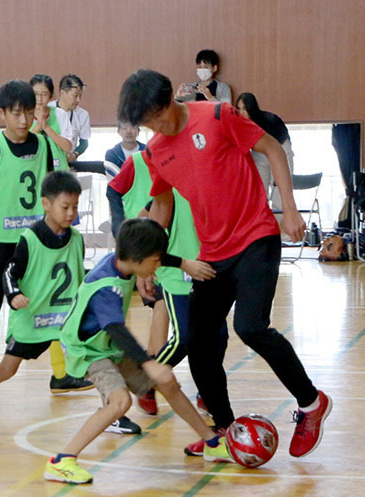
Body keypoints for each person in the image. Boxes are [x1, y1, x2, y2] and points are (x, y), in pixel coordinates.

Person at [118, 69, 331, 459]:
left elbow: (272, 148)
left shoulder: (216, 116)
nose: (154, 128)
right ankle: (222, 428)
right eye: (146, 123)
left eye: (156, 118)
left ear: (169, 100)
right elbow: (162, 203)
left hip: (255, 236)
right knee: (198, 340)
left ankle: (312, 403)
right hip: (212, 253)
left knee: (250, 327)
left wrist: (289, 209)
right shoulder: (155, 151)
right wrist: (147, 263)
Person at [43, 219, 232, 484]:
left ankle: (212, 442)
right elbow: (116, 330)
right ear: (138, 259)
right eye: (154, 262)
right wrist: (148, 363)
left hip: (105, 344)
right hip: (88, 351)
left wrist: (183, 263)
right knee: (121, 402)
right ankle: (61, 461)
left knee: (169, 384)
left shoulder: (121, 260)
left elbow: (153, 256)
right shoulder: (106, 290)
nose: (157, 266)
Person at [0, 79, 89, 397]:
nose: (22, 120)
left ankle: (61, 375)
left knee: (49, 301)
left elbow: (61, 174)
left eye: (27, 113)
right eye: (15, 113)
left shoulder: (44, 145)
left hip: (34, 242)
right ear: (2, 114)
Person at [0, 172, 89, 431]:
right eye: (65, 207)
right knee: (7, 369)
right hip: (33, 318)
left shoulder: (77, 239)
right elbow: (10, 273)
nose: (70, 213)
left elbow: (80, 277)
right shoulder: (30, 238)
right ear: (46, 204)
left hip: (63, 319)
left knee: (95, 360)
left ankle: (115, 410)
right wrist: (14, 295)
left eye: (75, 207)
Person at [111, 154, 221, 415]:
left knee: (217, 339)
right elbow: (144, 218)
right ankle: (147, 378)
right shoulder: (171, 183)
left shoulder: (217, 183)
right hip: (176, 272)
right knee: (184, 336)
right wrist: (144, 269)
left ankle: (210, 391)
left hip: (210, 270)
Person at [236, 92, 294, 211]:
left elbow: (279, 146)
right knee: (259, 187)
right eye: (239, 109)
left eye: (245, 109)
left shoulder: (268, 119)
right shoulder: (239, 123)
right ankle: (262, 217)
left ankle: (281, 219)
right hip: (259, 153)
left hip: (281, 149)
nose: (241, 112)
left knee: (279, 187)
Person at [30, 74, 73, 171]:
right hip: (34, 171)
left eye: (44, 94)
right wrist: (38, 127)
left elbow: (67, 147)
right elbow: (22, 147)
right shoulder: (25, 115)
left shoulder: (60, 114)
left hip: (59, 172)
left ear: (50, 96)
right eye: (35, 94)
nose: (39, 99)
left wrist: (46, 128)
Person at [54, 74, 91, 163]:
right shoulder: (48, 110)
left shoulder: (83, 115)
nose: (78, 100)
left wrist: (75, 154)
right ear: (62, 93)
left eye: (80, 96)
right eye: (75, 96)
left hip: (69, 162)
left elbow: (84, 143)